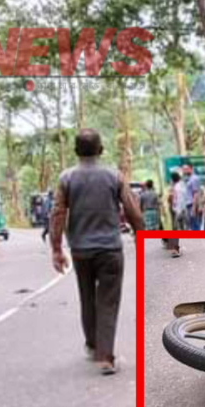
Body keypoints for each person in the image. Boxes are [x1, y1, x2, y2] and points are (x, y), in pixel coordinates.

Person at [50, 128, 144, 375]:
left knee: (87, 297)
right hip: (110, 250)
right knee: (108, 302)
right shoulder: (114, 176)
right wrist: (140, 235)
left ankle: (93, 346)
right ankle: (106, 357)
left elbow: (58, 213)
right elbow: (133, 210)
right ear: (101, 150)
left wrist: (57, 249)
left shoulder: (66, 178)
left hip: (81, 250)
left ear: (75, 151)